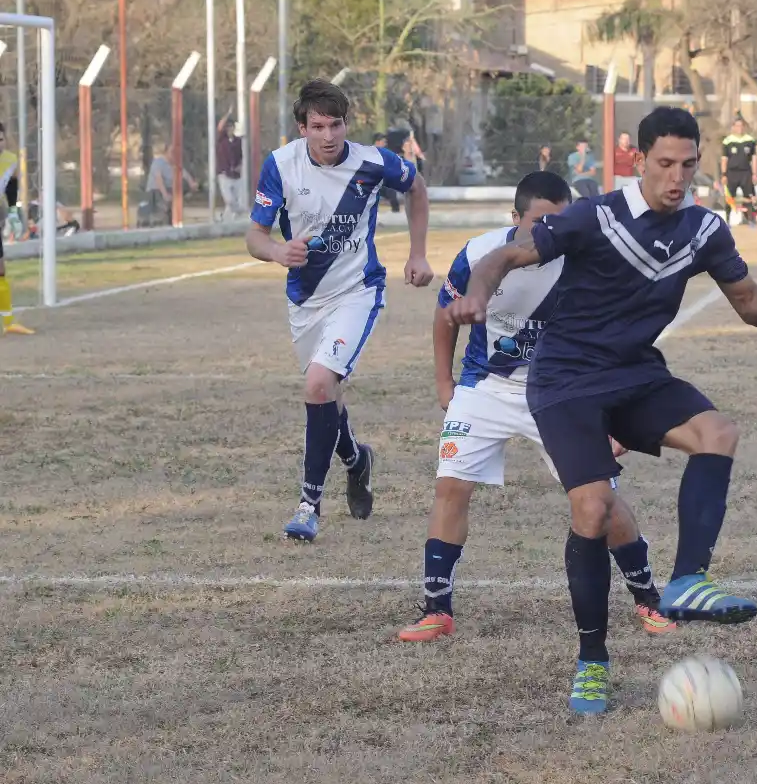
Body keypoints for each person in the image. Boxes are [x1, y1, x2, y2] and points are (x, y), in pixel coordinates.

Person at [446, 107, 757, 714]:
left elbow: (754, 311)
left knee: (717, 431)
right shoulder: (595, 216)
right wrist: (477, 296)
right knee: (593, 508)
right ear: (639, 160)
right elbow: (505, 257)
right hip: (564, 380)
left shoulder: (704, 230)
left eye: (688, 165)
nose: (677, 177)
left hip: (635, 373)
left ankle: (688, 579)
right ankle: (592, 661)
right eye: (665, 164)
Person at [396, 171, 676, 643]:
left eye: (560, 223)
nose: (551, 234)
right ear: (514, 219)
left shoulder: (587, 261)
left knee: (600, 502)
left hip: (562, 394)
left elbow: (615, 344)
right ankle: (436, 609)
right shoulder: (480, 252)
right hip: (485, 387)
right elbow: (446, 316)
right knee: (451, 487)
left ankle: (647, 597)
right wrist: (445, 383)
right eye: (539, 223)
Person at [246, 79, 434, 541]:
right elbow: (255, 236)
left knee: (317, 384)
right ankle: (356, 459)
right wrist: (277, 253)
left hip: (357, 291)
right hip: (306, 299)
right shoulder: (281, 165)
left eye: (336, 125)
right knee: (325, 392)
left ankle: (308, 505)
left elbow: (417, 187)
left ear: (347, 124)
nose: (328, 136)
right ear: (301, 128)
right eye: (317, 126)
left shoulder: (372, 161)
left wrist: (418, 253)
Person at [0, 124, 33, 335]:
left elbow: (11, 186)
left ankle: (9, 322)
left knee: (1, 271)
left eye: (0, 139)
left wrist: (13, 212)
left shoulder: (10, 160)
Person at [147, 142, 198, 224]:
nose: (174, 155)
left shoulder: (175, 165)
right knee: (166, 205)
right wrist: (165, 195)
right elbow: (158, 179)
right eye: (172, 152)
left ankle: (174, 219)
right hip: (156, 191)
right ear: (166, 152)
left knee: (180, 190)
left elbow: (184, 173)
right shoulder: (158, 162)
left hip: (170, 190)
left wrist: (192, 183)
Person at [721, 118, 757, 224]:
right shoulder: (728, 141)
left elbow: (754, 158)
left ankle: (751, 220)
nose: (739, 128)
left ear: (744, 127)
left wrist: (755, 173)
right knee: (729, 197)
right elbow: (724, 159)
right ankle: (727, 221)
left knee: (749, 196)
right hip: (731, 173)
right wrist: (724, 174)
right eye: (737, 126)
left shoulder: (750, 140)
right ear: (733, 127)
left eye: (741, 126)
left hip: (746, 172)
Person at [217, 110, 245, 221]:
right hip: (224, 173)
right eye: (228, 127)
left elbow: (240, 156)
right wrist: (228, 113)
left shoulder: (237, 141)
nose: (230, 130)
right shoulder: (221, 140)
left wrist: (239, 167)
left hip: (235, 175)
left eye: (232, 127)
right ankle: (234, 214)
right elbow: (219, 127)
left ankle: (225, 218)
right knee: (229, 199)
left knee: (236, 199)